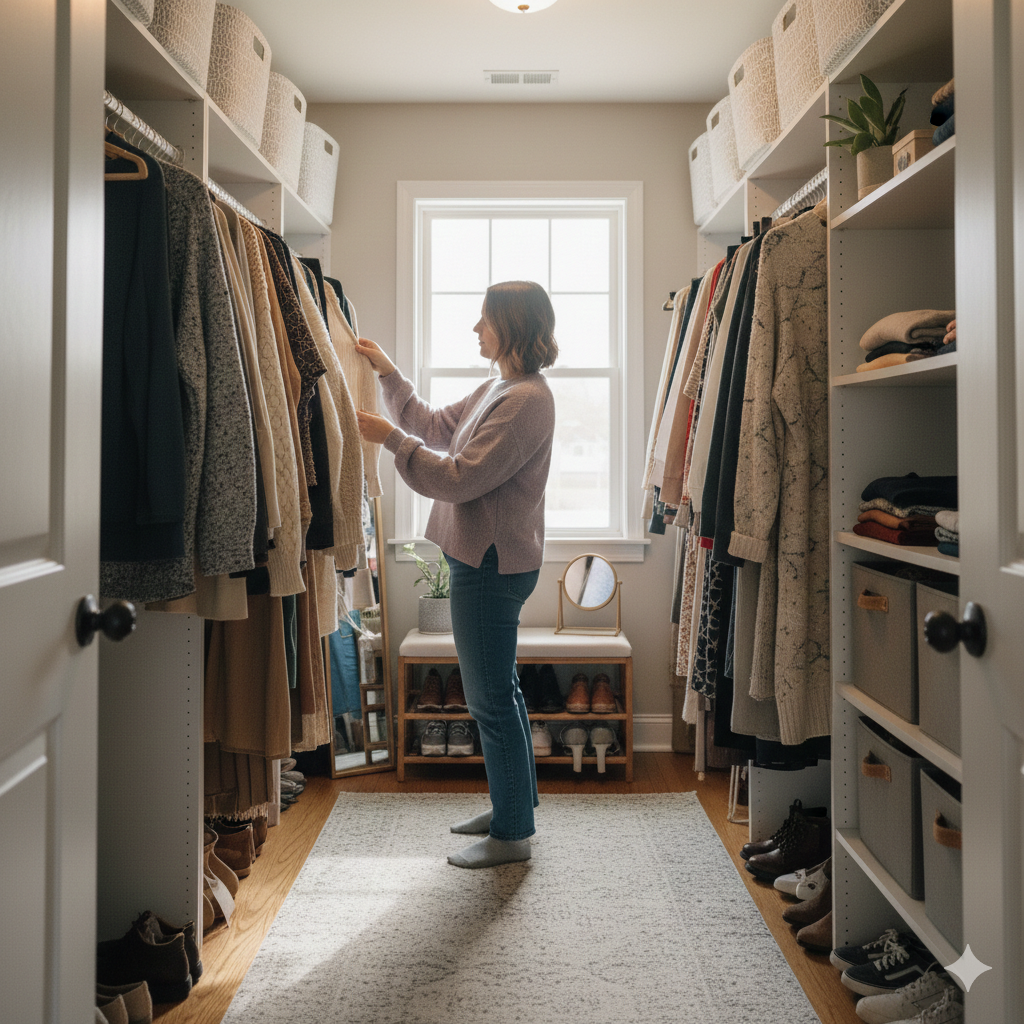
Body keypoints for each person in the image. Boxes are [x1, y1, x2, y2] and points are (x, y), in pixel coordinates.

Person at [354, 280, 558, 868]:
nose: (475, 329)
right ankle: (512, 806)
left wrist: (390, 440)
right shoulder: (500, 387)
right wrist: (390, 376)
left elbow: (459, 477)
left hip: (491, 566)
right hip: (481, 559)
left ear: (512, 327)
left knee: (489, 700)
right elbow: (434, 425)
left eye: (484, 321)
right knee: (500, 696)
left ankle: (512, 834)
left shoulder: (527, 401)